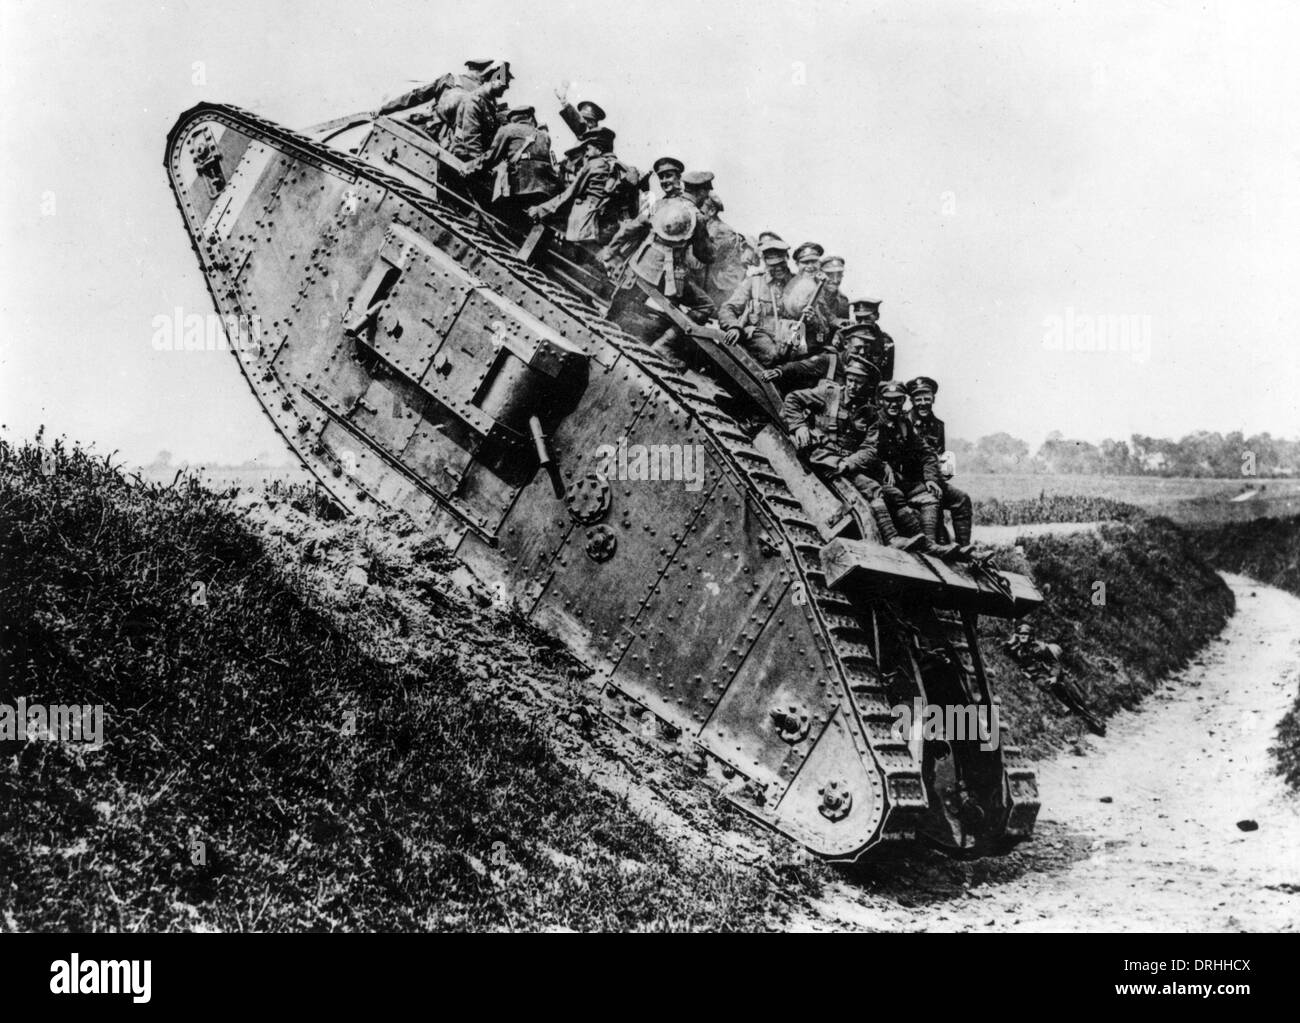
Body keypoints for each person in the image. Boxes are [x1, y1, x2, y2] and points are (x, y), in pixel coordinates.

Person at [841, 379, 952, 553]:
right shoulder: (871, 418)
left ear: (903, 401)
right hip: (867, 473)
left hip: (891, 477)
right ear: (881, 401)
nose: (893, 404)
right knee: (891, 494)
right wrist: (883, 464)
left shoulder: (903, 423)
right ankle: (894, 538)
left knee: (930, 496)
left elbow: (926, 451)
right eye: (888, 400)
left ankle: (930, 544)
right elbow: (864, 449)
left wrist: (930, 479)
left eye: (898, 400)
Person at [603, 197, 715, 356]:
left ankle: (609, 319)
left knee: (631, 285)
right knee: (705, 305)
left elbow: (631, 228)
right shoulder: (697, 218)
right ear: (703, 191)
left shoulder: (662, 203)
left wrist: (611, 251)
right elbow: (706, 256)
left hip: (641, 266)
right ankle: (664, 344)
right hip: (669, 280)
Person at [527, 126, 624, 254]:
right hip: (603, 222)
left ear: (599, 150)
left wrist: (540, 209)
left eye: (588, 149)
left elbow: (570, 193)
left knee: (545, 216)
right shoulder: (613, 165)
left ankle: (529, 255)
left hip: (584, 220)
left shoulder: (594, 164)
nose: (587, 154)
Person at [1003, 622, 1106, 735]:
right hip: (1042, 679)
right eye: (1020, 634)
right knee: (1069, 703)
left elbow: (1055, 664)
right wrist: (1011, 640)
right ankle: (1090, 723)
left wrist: (1054, 677)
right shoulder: (1019, 650)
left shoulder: (1039, 647)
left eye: (1025, 634)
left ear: (1030, 635)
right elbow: (1006, 652)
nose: (1023, 636)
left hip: (1054, 676)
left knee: (1077, 700)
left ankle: (1094, 720)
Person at [906, 376, 973, 545]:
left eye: (927, 398)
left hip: (934, 480)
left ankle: (964, 549)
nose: (923, 403)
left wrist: (945, 469)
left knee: (962, 499)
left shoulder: (938, 425)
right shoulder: (904, 422)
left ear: (933, 399)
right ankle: (933, 545)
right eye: (918, 399)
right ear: (911, 400)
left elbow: (939, 455)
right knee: (936, 516)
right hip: (912, 482)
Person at [484, 106, 560, 227]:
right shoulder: (545, 136)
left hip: (521, 186)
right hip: (545, 188)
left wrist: (471, 166)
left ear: (512, 119)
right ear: (530, 118)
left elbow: (490, 157)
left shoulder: (507, 129)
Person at [452, 68, 511, 164]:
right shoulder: (473, 101)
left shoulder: (488, 103)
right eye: (505, 82)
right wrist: (479, 167)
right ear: (494, 81)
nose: (507, 87)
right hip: (465, 159)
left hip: (476, 159)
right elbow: (471, 141)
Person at [844, 298, 895, 379]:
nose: (863, 323)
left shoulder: (885, 341)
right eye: (859, 319)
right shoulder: (847, 336)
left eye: (867, 319)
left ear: (877, 316)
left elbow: (887, 374)